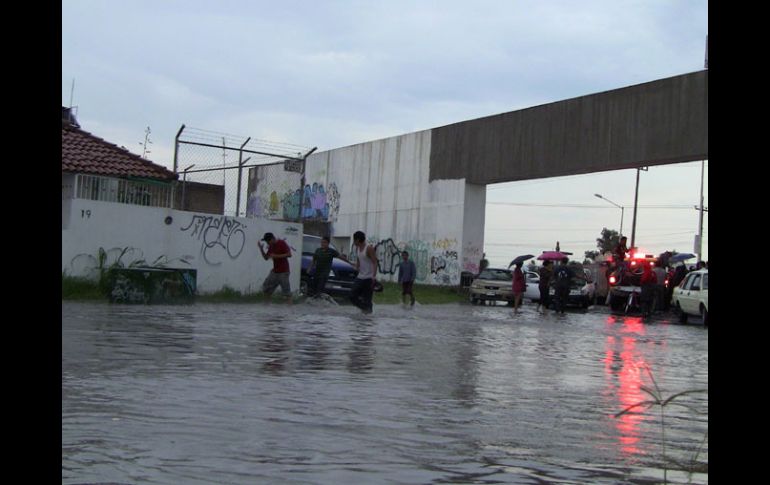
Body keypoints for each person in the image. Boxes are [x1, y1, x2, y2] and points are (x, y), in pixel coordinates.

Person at [258, 232, 292, 304]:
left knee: (287, 293)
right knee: (266, 289)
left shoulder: (282, 243)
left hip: (284, 272)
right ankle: (266, 307)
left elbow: (289, 254)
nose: (267, 243)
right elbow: (266, 258)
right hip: (275, 272)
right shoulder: (271, 246)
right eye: (266, 241)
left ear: (273, 239)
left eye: (268, 241)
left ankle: (290, 311)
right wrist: (261, 249)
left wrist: (277, 256)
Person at [349, 231, 378, 314]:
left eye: (354, 240)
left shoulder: (369, 248)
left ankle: (367, 317)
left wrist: (374, 276)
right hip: (360, 277)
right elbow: (359, 261)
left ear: (358, 240)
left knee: (367, 299)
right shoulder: (358, 248)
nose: (354, 242)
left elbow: (375, 262)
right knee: (352, 295)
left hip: (369, 278)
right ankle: (366, 308)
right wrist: (356, 267)